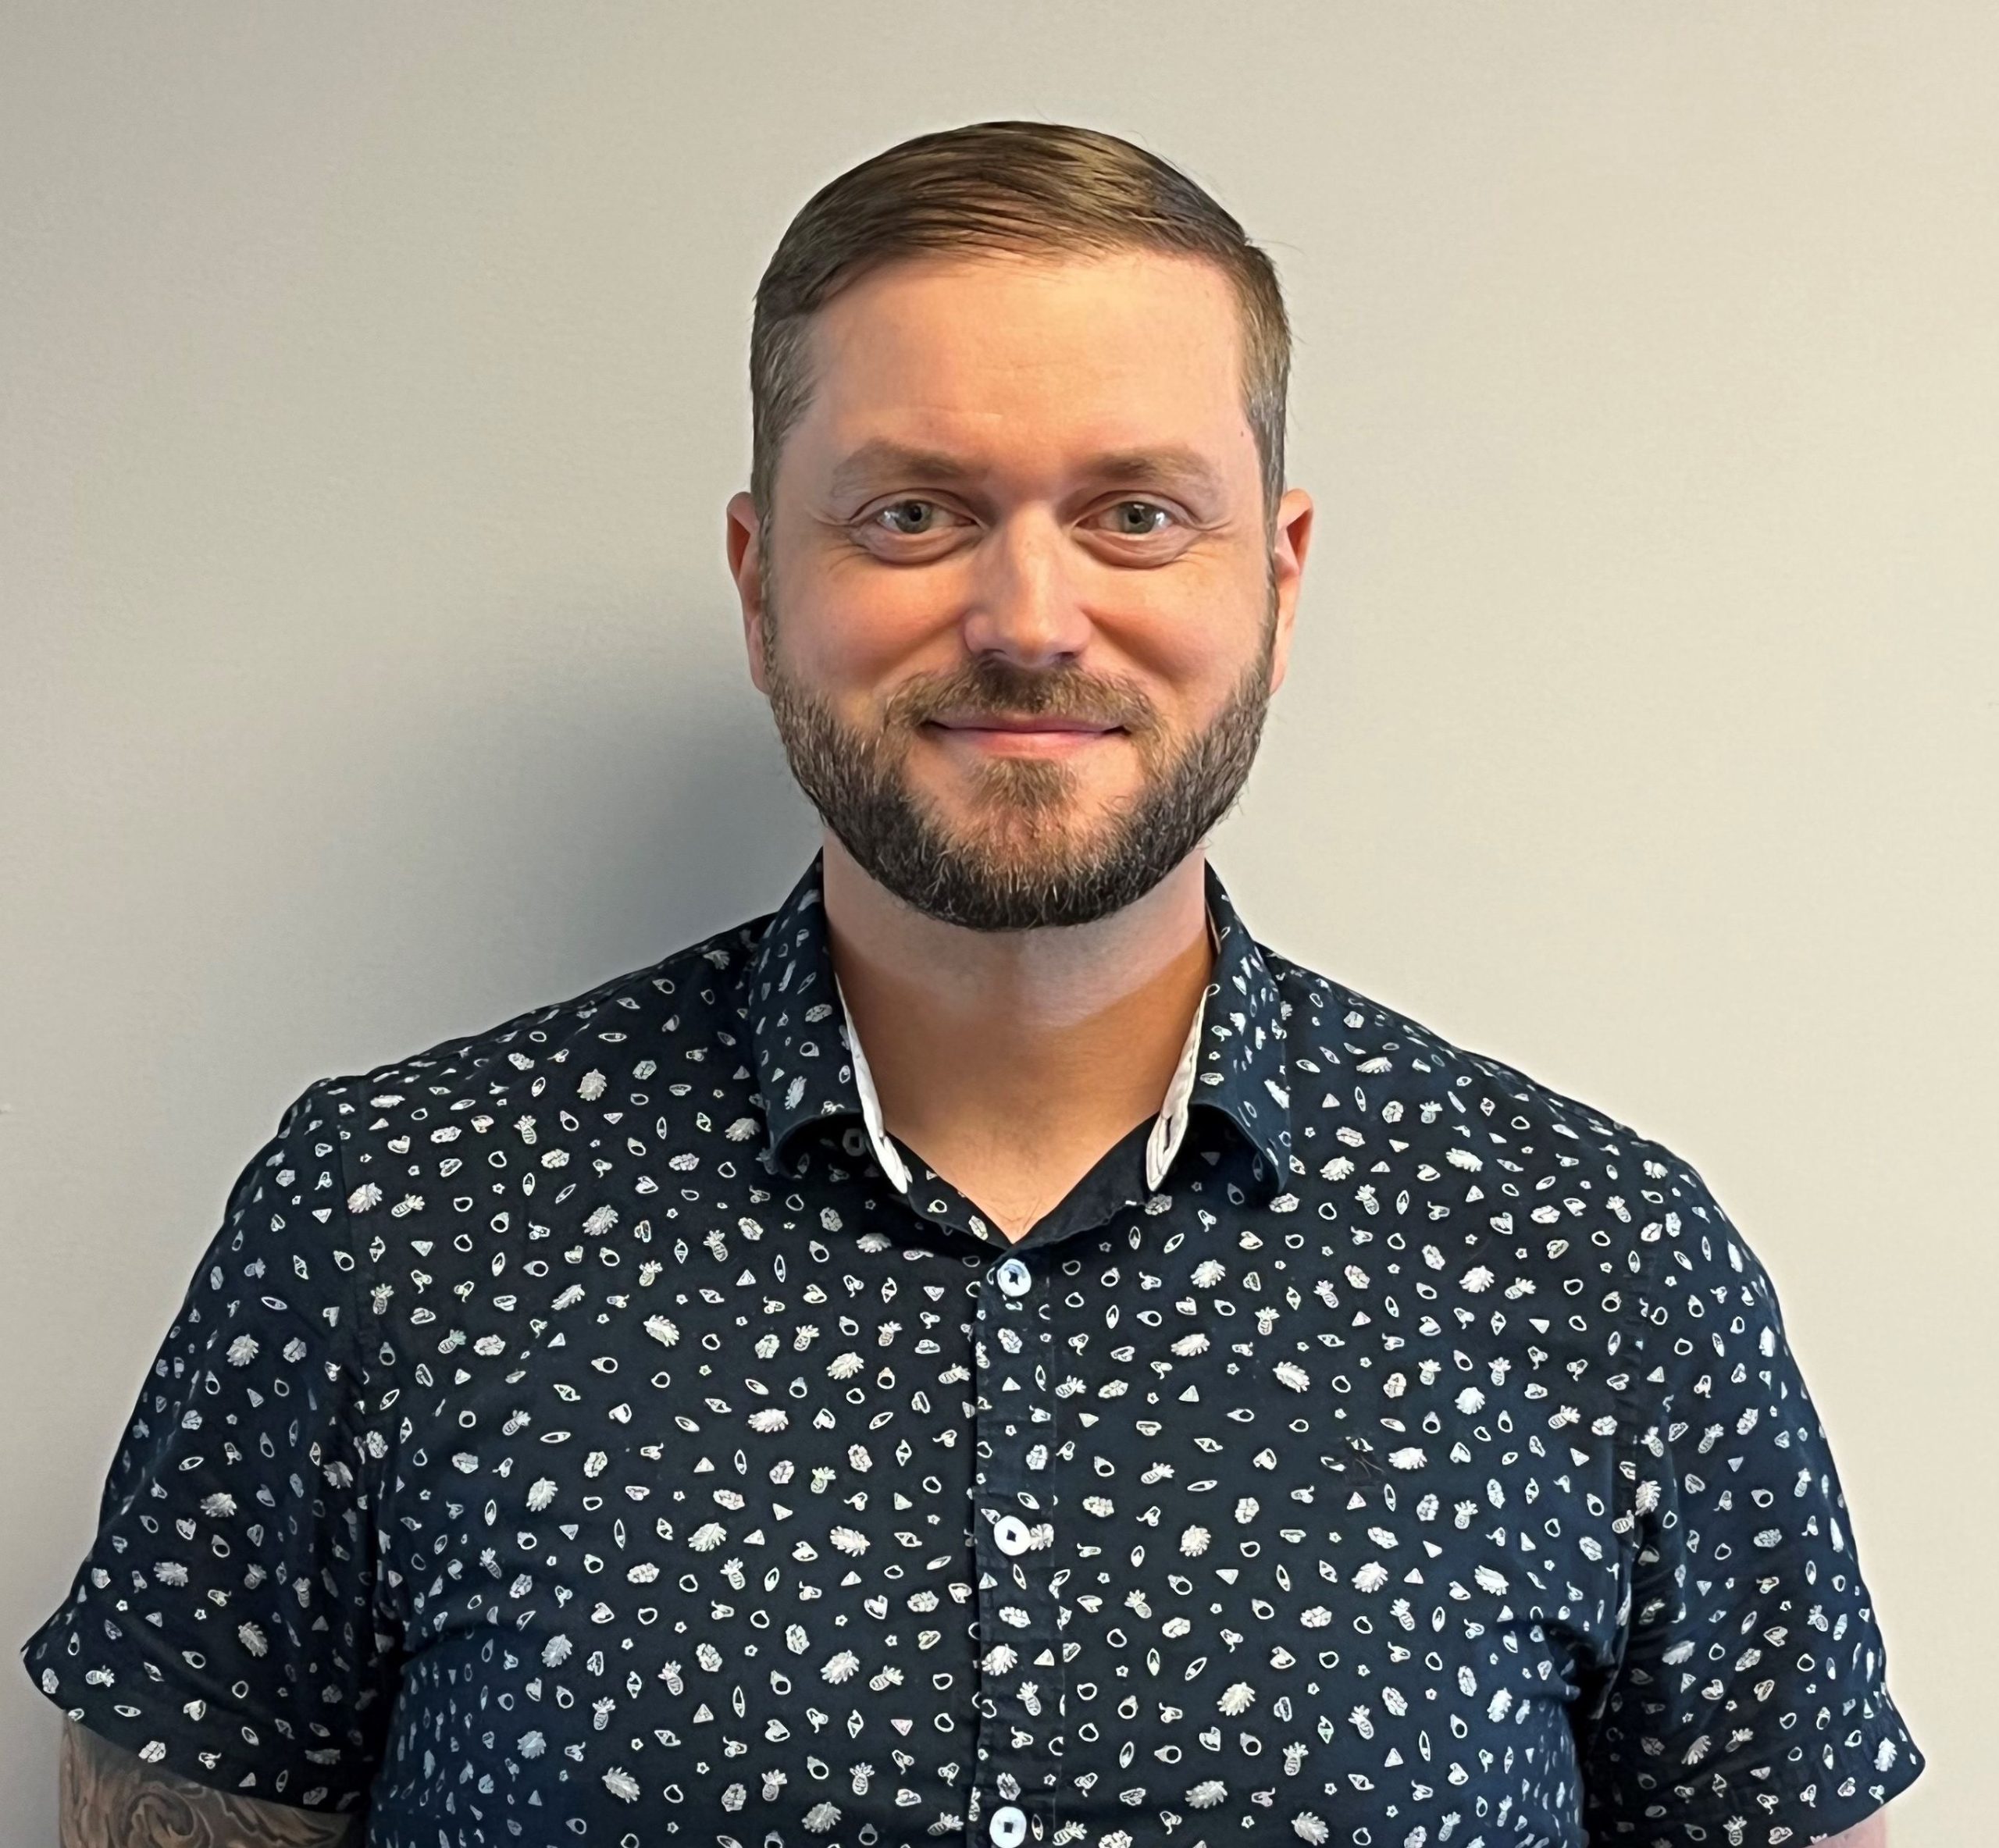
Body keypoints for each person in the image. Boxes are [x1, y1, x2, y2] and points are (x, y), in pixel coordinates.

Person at [25, 120, 1920, 1848]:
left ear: (1276, 577)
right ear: (759, 582)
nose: (1027, 618)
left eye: (1134, 513)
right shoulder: (393, 1221)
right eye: (914, 514)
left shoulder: (1597, 1264)